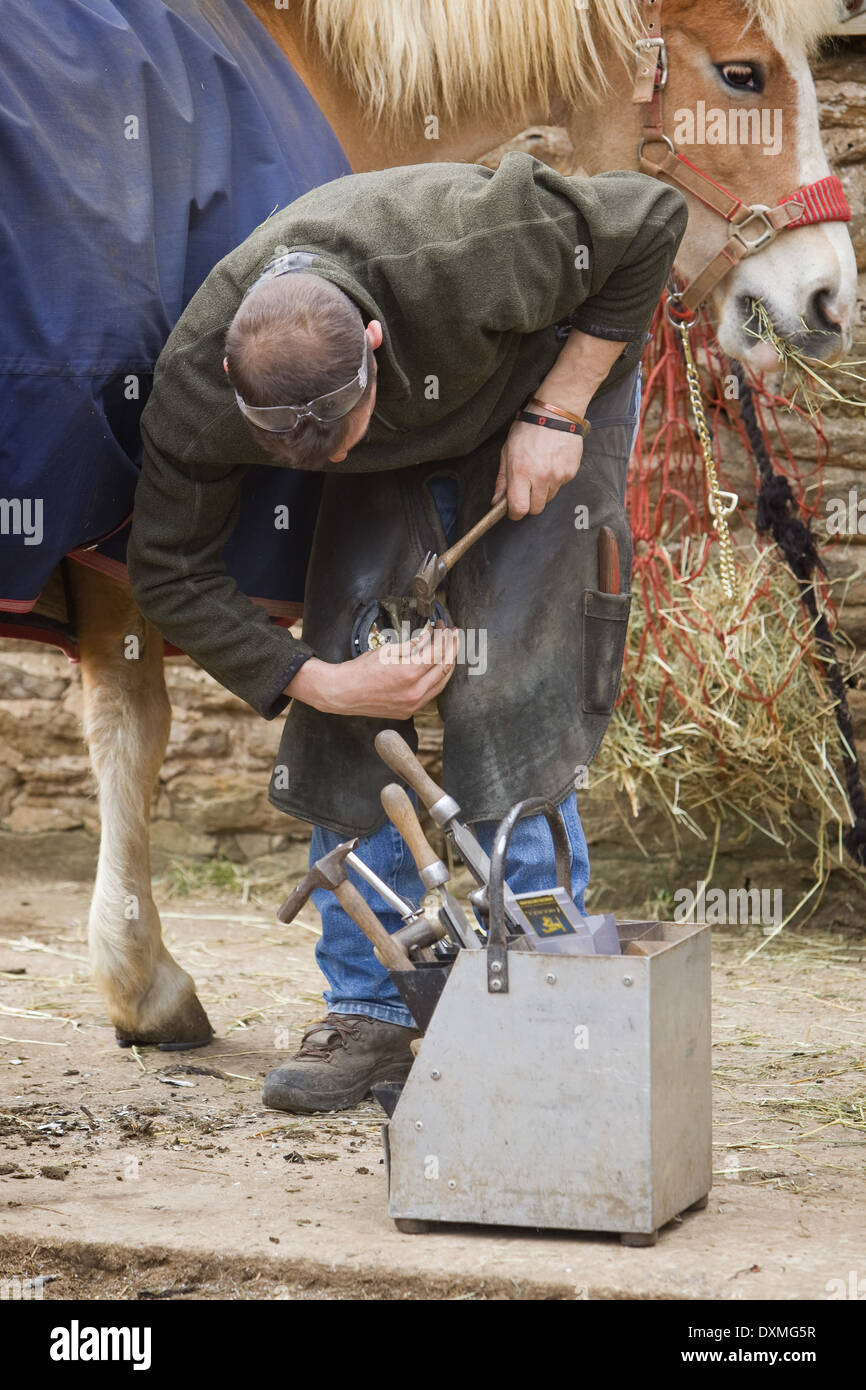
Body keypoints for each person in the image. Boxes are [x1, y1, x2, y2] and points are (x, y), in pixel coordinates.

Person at [128, 152, 687, 1112]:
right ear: (230, 374)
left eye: (336, 431)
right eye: (289, 449)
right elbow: (167, 568)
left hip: (533, 386)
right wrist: (319, 680)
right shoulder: (198, 386)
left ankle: (541, 993)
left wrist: (561, 406)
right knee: (351, 676)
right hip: (401, 419)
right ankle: (372, 1012)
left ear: (374, 342)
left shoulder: (469, 247)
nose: (322, 458)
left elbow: (648, 216)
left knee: (512, 678)